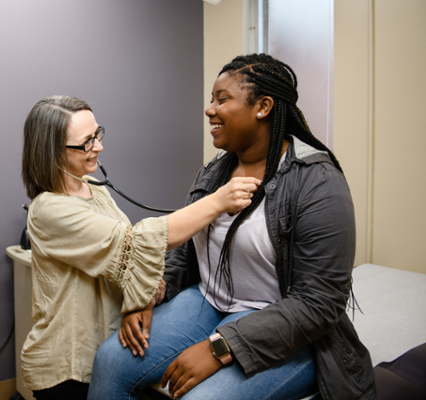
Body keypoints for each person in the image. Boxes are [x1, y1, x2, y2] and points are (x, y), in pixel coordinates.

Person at [88, 54, 376, 400]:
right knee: (109, 362)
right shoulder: (214, 173)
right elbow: (187, 251)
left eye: (222, 99)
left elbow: (320, 303)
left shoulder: (318, 182)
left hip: (287, 328)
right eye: (211, 100)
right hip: (209, 300)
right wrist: (153, 292)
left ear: (263, 106)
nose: (210, 110)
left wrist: (219, 348)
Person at [20, 95, 260, 400]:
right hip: (68, 365)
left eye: (98, 134)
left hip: (108, 350)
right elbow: (135, 244)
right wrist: (216, 202)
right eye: (86, 142)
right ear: (52, 152)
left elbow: (122, 263)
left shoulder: (92, 187)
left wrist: (148, 294)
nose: (99, 146)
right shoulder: (48, 209)